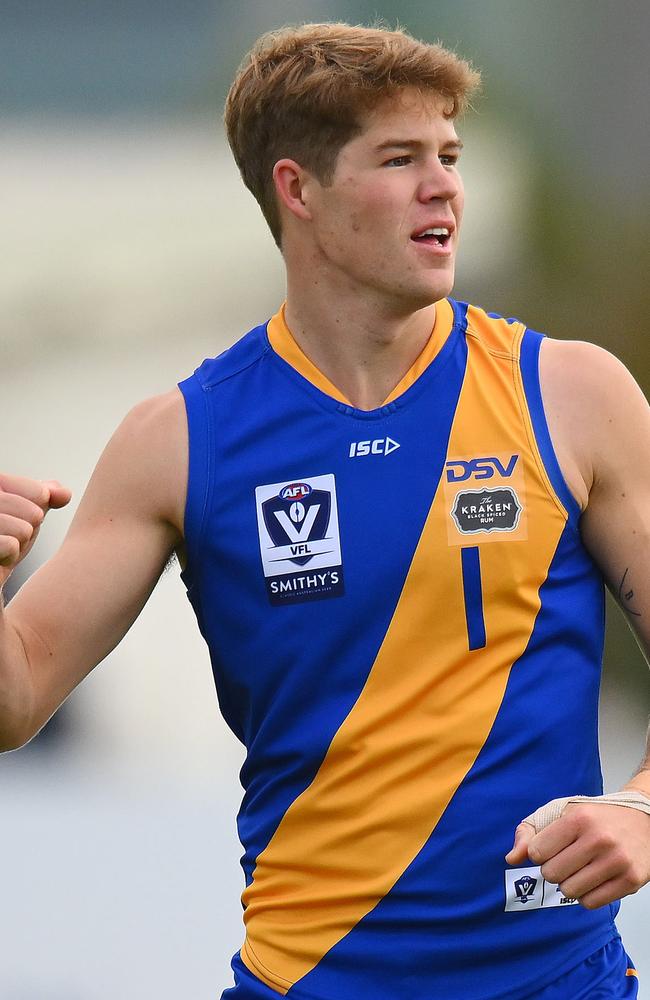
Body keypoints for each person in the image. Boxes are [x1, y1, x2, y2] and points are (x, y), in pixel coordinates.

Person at [1, 21, 649, 1000]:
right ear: (296, 189)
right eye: (398, 159)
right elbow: (17, 700)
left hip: (557, 980)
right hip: (310, 981)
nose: (443, 187)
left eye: (447, 156)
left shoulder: (568, 393)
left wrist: (643, 811)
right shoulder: (180, 438)